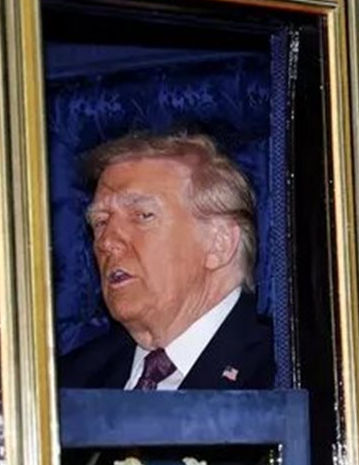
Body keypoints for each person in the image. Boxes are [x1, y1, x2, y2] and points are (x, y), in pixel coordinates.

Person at [59, 132, 274, 391]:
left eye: (142, 215)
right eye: (101, 222)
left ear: (220, 243)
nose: (106, 242)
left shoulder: (286, 375)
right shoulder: (68, 384)